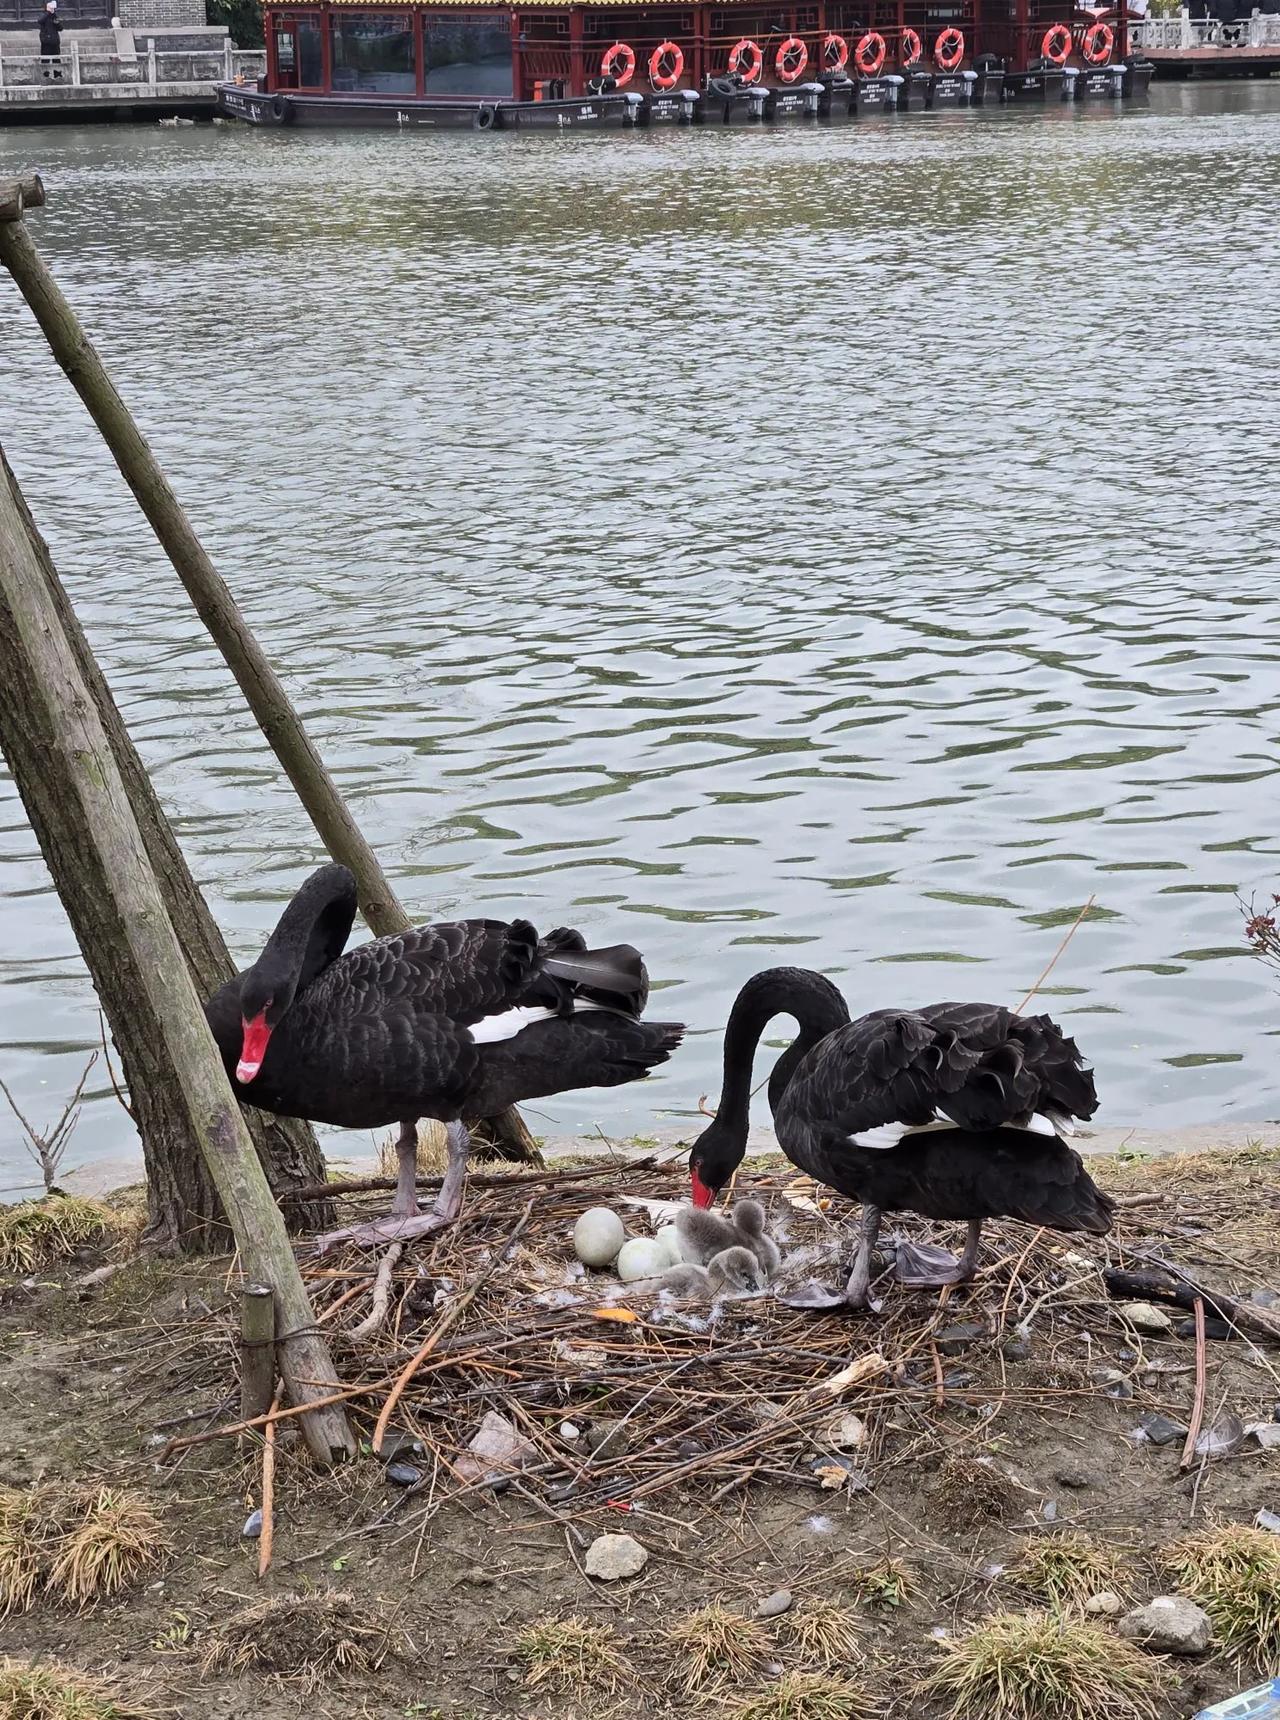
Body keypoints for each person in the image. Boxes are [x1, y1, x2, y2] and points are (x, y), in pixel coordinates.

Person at [38, 1, 63, 80]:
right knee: (45, 60)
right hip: (46, 42)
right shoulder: (44, 15)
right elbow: (40, 21)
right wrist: (48, 13)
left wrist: (57, 22)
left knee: (56, 60)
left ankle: (57, 76)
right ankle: (45, 77)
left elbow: (61, 28)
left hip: (55, 41)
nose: (52, 9)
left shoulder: (55, 16)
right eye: (51, 8)